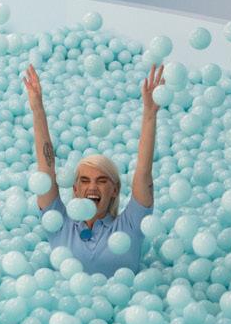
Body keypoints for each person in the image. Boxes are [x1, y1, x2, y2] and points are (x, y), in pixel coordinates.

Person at [23, 63, 164, 276]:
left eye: (102, 180)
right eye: (85, 180)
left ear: (115, 190)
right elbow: (46, 171)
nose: (92, 187)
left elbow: (143, 171)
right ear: (75, 189)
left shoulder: (131, 225)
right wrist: (37, 109)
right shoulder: (58, 224)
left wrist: (150, 115)